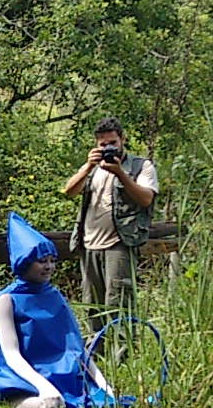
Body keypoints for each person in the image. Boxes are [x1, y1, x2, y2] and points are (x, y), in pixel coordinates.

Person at [0, 213, 104, 408]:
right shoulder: (6, 300)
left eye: (51, 261)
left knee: (91, 404)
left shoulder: (55, 296)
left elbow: (75, 348)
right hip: (17, 375)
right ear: (25, 262)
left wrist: (103, 385)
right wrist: (44, 386)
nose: (48, 267)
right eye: (41, 261)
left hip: (58, 372)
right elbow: (11, 355)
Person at [62, 115, 158, 333]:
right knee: (92, 306)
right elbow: (69, 191)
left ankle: (123, 360)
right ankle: (97, 359)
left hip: (119, 244)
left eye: (113, 143)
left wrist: (120, 174)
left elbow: (145, 199)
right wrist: (87, 166)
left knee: (119, 305)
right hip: (89, 245)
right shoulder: (93, 168)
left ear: (123, 139)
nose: (108, 149)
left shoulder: (140, 166)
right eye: (103, 145)